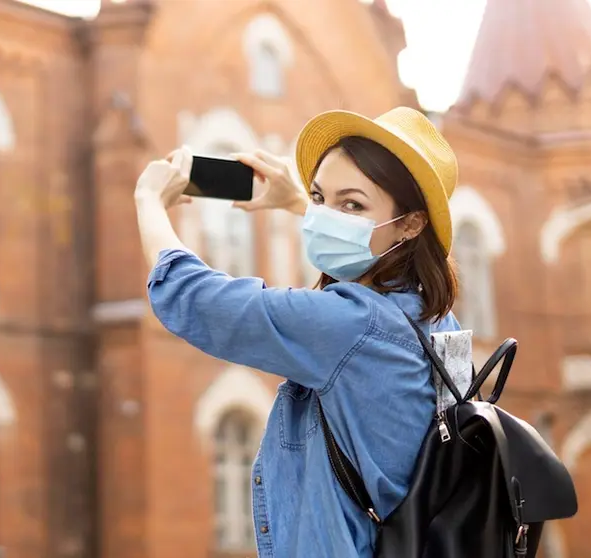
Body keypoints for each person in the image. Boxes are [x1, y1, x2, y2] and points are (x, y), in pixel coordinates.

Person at [134, 106, 462, 558]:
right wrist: (299, 204)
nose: (327, 217)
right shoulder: (437, 322)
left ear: (410, 223)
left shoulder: (348, 325)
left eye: (353, 204)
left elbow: (195, 298)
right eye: (320, 197)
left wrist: (149, 200)